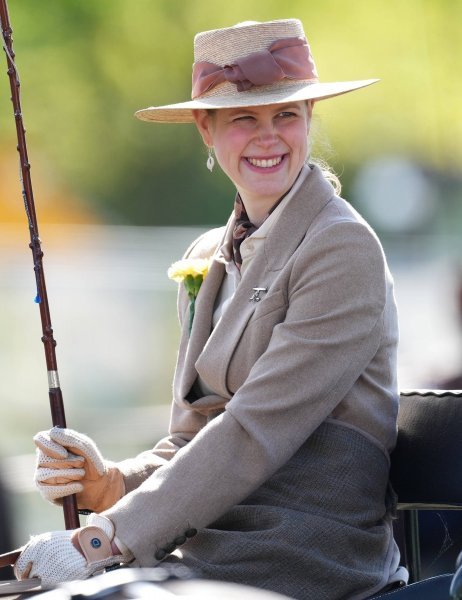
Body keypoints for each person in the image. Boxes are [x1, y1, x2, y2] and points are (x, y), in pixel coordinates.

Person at [14, 19, 408, 600]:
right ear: (206, 128)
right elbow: (191, 438)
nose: (269, 137)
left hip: (306, 555)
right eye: (244, 118)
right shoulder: (208, 257)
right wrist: (109, 483)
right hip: (205, 550)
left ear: (308, 120)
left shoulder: (341, 248)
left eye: (287, 116)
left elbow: (253, 429)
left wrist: (100, 540)